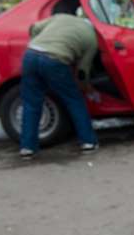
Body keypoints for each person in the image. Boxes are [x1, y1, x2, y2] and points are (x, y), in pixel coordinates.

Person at [19, 13, 99, 159]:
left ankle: (27, 148)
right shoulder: (91, 39)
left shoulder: (61, 17)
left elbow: (34, 27)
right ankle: (88, 142)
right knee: (74, 100)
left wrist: (36, 43)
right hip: (55, 60)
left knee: (31, 103)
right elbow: (82, 71)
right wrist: (86, 88)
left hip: (30, 55)